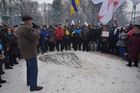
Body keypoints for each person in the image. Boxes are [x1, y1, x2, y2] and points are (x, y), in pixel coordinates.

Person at [16, 15, 43, 91]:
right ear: (28, 21)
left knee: (29, 68)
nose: (32, 21)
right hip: (30, 52)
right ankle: (33, 86)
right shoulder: (27, 28)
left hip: (24, 52)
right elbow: (34, 37)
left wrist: (32, 29)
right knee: (34, 69)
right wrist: (37, 31)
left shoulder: (19, 28)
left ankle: (29, 82)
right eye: (31, 20)